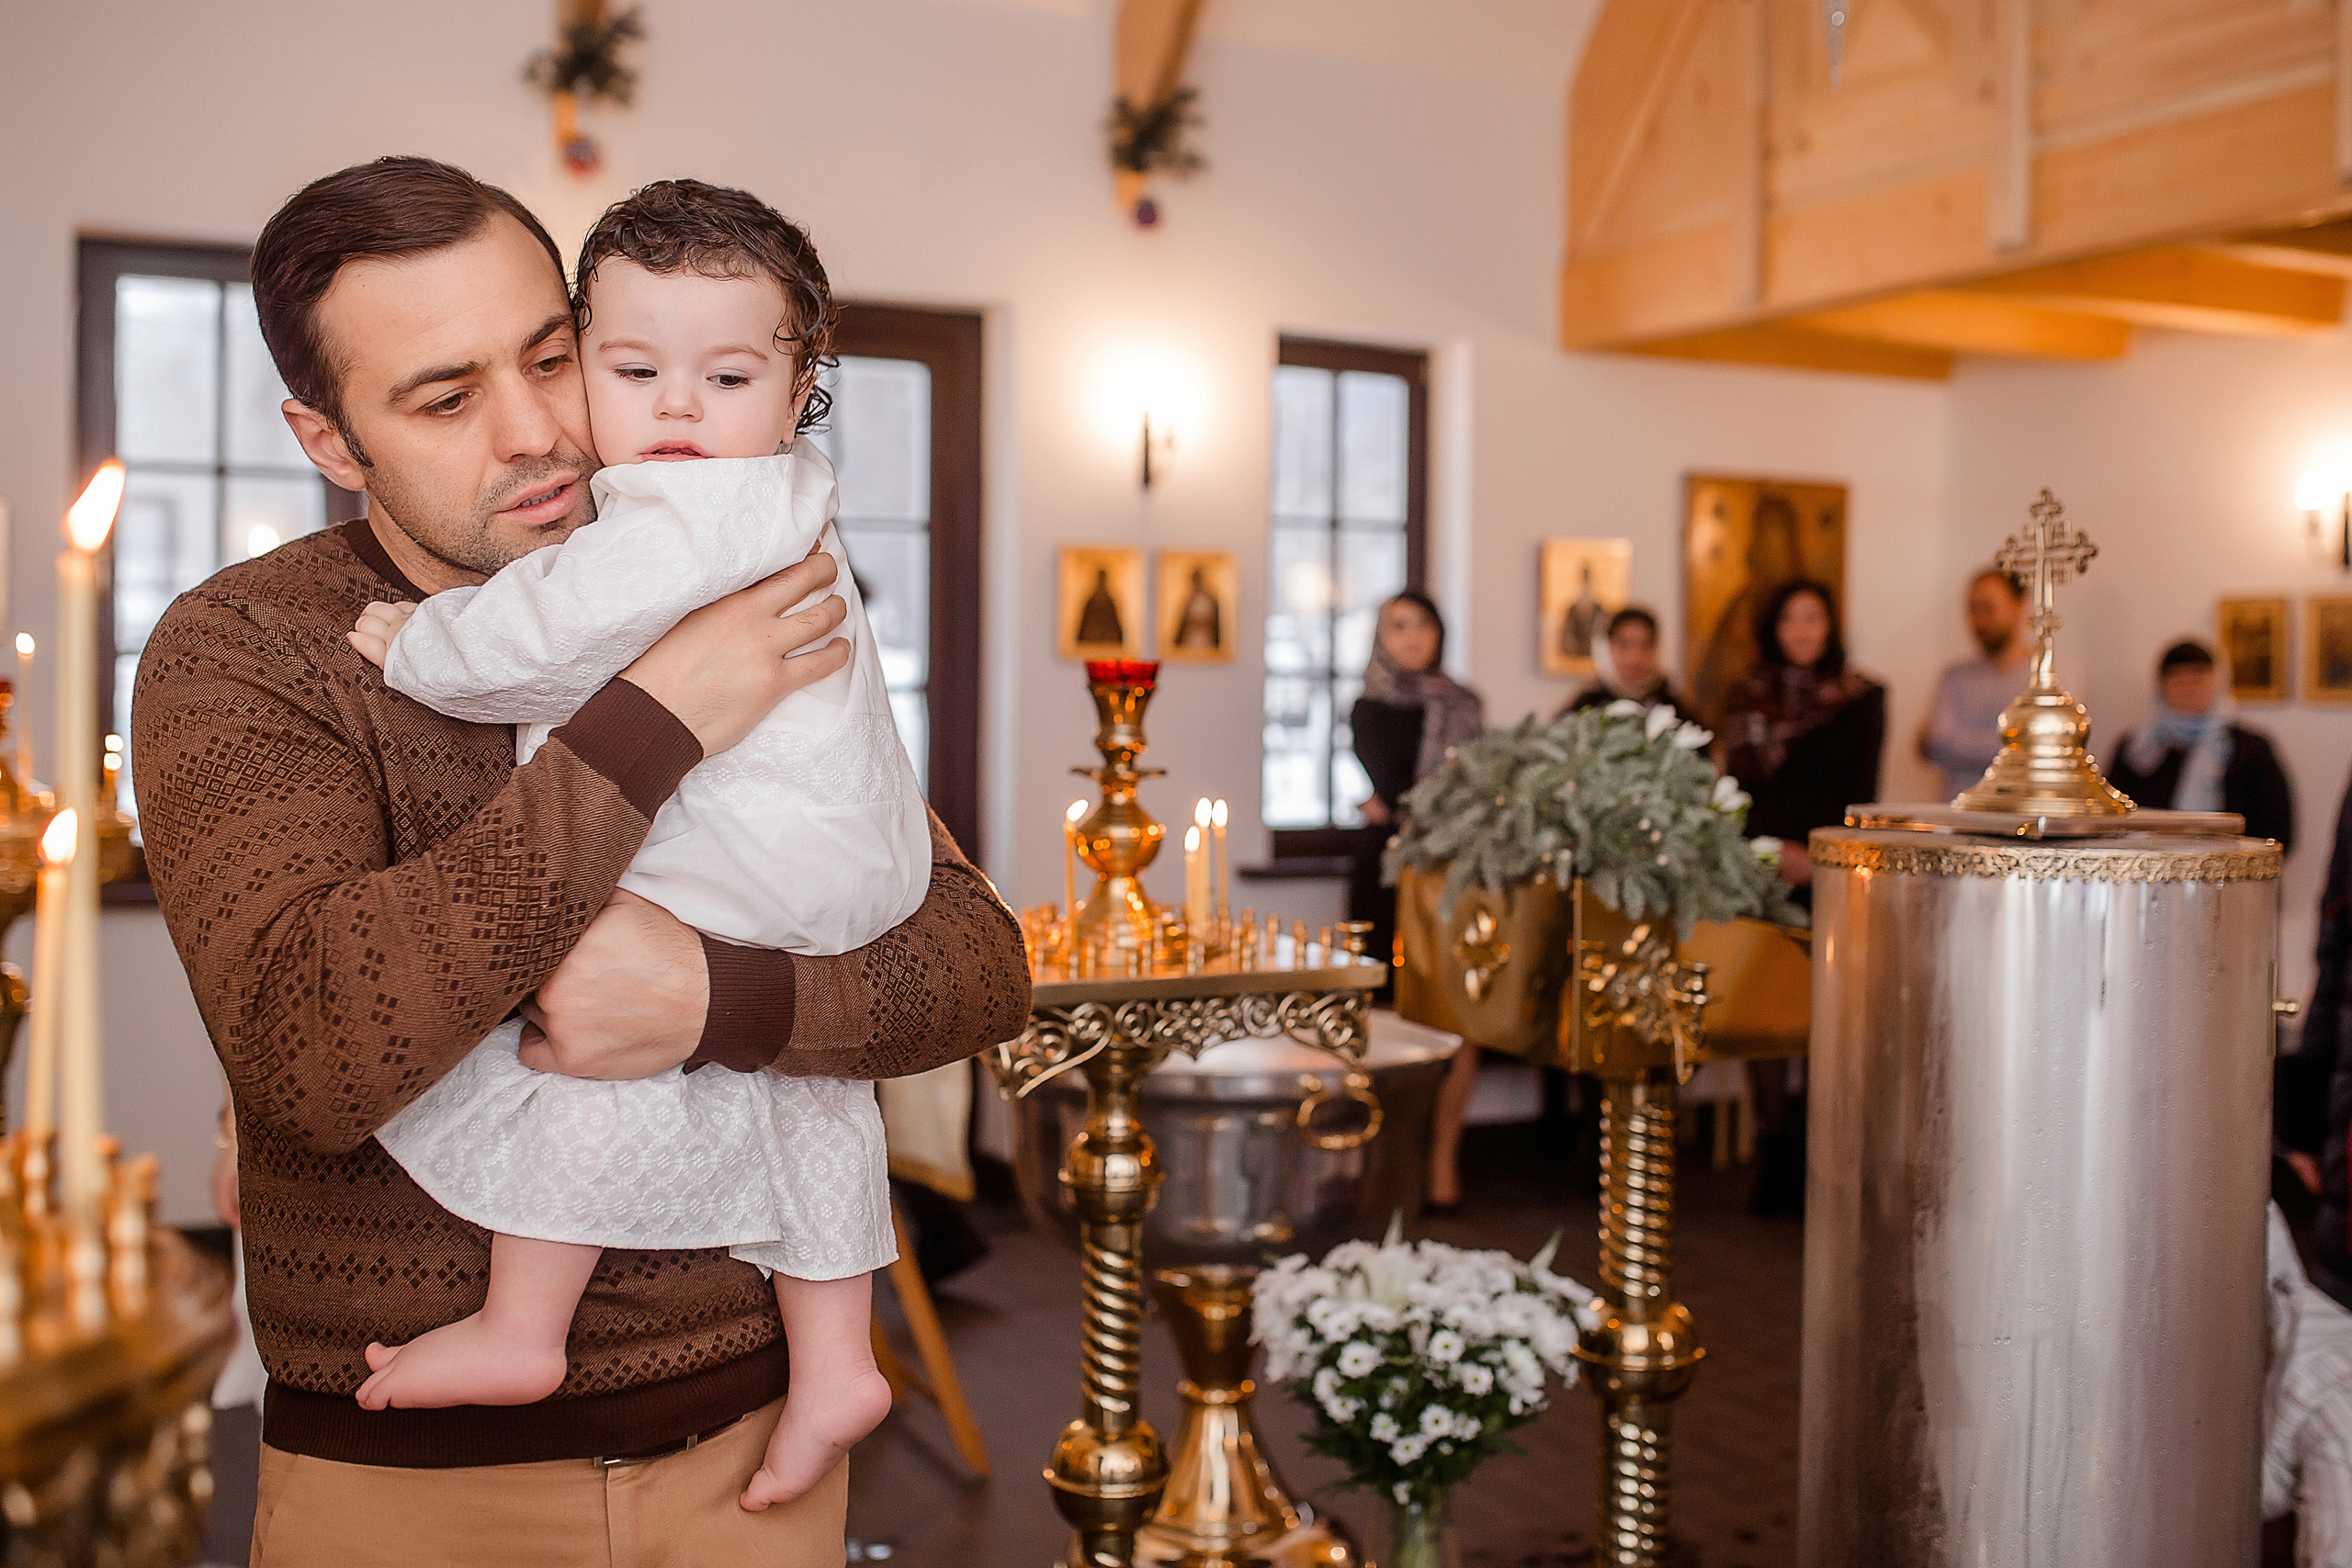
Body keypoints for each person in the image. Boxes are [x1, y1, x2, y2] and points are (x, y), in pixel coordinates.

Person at [131, 157, 1031, 1567]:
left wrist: (719, 996)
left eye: (554, 357)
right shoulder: (250, 650)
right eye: (445, 397)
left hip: (752, 1455)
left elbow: (974, 962)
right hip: (418, 1484)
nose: (541, 429)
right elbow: (311, 1054)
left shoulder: (730, 558)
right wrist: (659, 720)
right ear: (330, 439)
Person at [343, 180, 920, 1511]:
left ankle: (521, 1324)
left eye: (722, 375)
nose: (673, 409)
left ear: (798, 386)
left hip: (757, 848)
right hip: (847, 858)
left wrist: (424, 645)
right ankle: (837, 1351)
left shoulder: (681, 515)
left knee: (595, 1003)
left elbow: (547, 630)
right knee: (813, 1079)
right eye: (630, 367)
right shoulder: (782, 495)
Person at [1719, 579, 1883, 1217]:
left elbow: (1860, 792)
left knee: (1826, 1013)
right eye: (1790, 618)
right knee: (1767, 1011)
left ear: (1830, 624)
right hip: (1764, 869)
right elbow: (1738, 790)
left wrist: (1818, 855)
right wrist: (1768, 852)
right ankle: (1774, 1148)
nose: (1802, 630)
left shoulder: (1862, 698)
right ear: (1774, 627)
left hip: (1832, 873)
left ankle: (1823, 1155)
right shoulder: (1747, 696)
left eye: (1813, 617)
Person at [1349, 591, 1485, 1210]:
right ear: (1382, 636)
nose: (1411, 638)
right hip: (1384, 870)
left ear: (1440, 632)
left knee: (1454, 1016)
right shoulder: (1369, 707)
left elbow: (1475, 790)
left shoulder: (1465, 705)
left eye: (1422, 625)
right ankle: (1383, 1163)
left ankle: (1444, 1164)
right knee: (1384, 1016)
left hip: (1450, 868)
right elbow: (1399, 787)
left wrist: (1406, 805)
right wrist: (1407, 804)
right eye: (1397, 627)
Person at [2106, 639, 2295, 847]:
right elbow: (2112, 819)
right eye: (2178, 678)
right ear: (2161, 685)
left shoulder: (2249, 748)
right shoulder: (2136, 749)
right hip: (2147, 871)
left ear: (2217, 681)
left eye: (2198, 677)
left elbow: (2277, 830)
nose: (2188, 687)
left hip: (2230, 872)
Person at [1917, 569, 2030, 800]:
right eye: (1972, 610)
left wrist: (1953, 743)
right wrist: (2009, 744)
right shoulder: (1954, 677)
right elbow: (1934, 745)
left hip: (2022, 817)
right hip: (1958, 816)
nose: (1979, 621)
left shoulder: (2052, 677)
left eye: (1988, 608)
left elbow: (2035, 751)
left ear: (2020, 607)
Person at [1562, 606, 1695, 722]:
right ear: (1609, 647)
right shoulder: (1587, 706)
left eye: (1644, 645)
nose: (1634, 657)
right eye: (1625, 645)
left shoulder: (1673, 708)